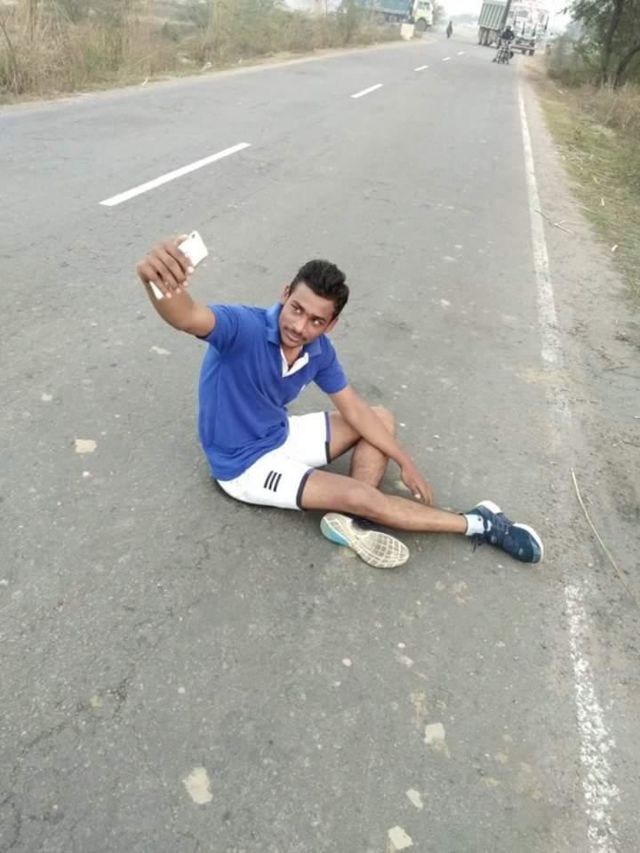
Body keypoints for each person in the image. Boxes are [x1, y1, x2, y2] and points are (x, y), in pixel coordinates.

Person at [135, 237, 544, 569]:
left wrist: (404, 460)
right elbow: (187, 316)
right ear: (284, 295)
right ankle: (479, 523)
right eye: (296, 309)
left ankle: (353, 520)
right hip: (245, 466)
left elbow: (355, 410)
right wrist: (157, 282)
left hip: (279, 435)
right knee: (365, 494)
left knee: (379, 418)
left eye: (316, 320)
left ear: (331, 324)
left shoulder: (319, 352)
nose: (299, 326)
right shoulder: (243, 327)